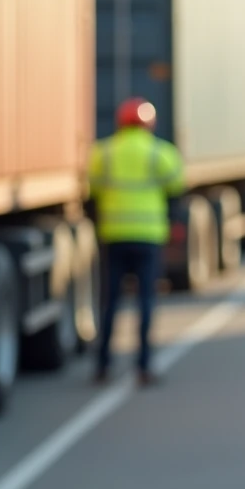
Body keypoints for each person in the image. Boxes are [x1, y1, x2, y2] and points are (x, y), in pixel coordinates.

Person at [88, 96, 185, 387]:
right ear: (149, 123)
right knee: (145, 302)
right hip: (148, 237)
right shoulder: (160, 153)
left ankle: (103, 364)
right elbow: (177, 186)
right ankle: (143, 366)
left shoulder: (103, 152)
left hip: (114, 235)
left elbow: (92, 188)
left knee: (110, 302)